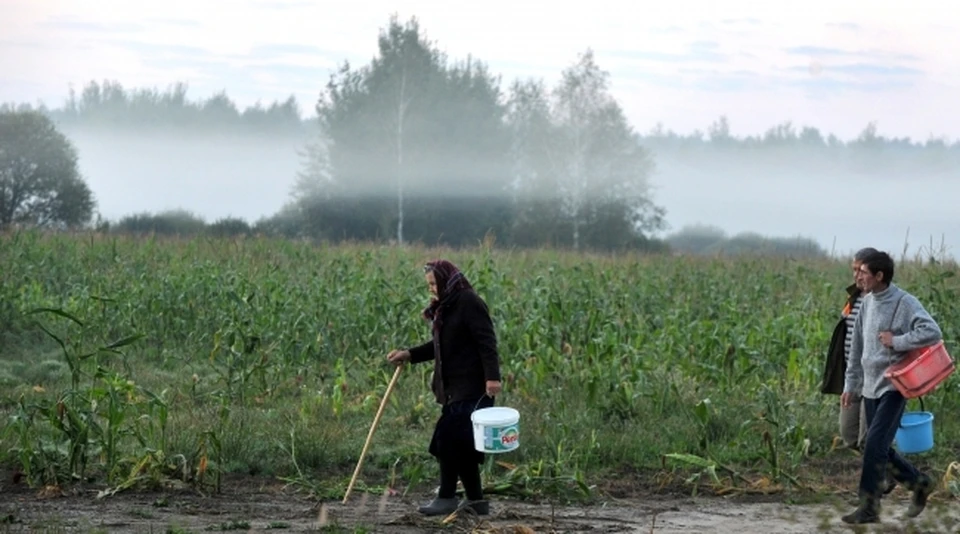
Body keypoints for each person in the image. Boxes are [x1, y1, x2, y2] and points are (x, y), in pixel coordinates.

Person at [387, 259, 502, 517]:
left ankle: (447, 497)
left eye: (433, 283)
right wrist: (409, 354)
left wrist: (492, 378)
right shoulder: (446, 308)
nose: (431, 289)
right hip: (453, 389)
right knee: (462, 446)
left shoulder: (469, 302)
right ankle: (476, 501)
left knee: (446, 440)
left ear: (445, 280)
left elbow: (487, 341)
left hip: (474, 387)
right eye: (428, 285)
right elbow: (439, 346)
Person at [841, 250, 941, 524]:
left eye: (862, 272)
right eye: (856, 271)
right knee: (880, 447)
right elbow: (856, 350)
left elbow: (932, 331)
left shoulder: (904, 302)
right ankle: (919, 483)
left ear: (879, 276)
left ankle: (869, 508)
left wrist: (897, 341)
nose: (857, 276)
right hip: (870, 386)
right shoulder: (865, 303)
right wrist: (851, 384)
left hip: (895, 385)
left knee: (873, 444)